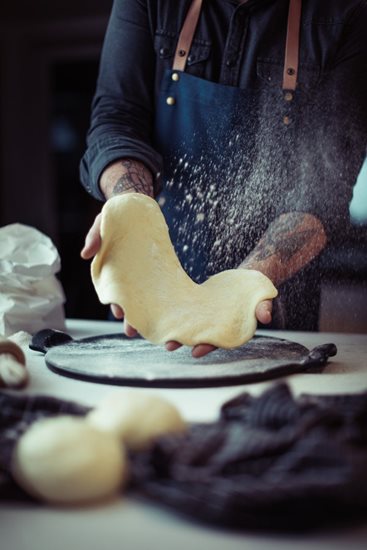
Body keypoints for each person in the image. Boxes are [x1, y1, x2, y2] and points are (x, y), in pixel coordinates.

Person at [80, 0, 367, 357]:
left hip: (270, 305)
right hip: (147, 293)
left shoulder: (346, 13)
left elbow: (325, 186)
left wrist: (245, 287)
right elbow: (116, 118)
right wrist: (129, 207)